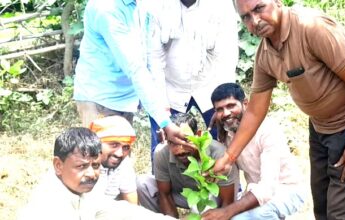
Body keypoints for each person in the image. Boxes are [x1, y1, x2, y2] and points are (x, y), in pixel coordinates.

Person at [212, 1, 345, 220]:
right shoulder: (265, 53)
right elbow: (255, 110)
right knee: (322, 206)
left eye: (259, 8)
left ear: (277, 2)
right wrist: (229, 157)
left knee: (343, 212)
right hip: (320, 125)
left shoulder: (311, 27)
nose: (255, 20)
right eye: (246, 17)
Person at [73, 0, 187, 147]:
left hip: (126, 98)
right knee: (99, 158)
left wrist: (161, 104)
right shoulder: (105, 7)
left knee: (120, 157)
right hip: (99, 97)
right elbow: (135, 67)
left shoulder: (141, 4)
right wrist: (164, 122)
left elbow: (149, 56)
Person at [18, 127, 178, 220]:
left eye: (95, 165)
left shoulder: (85, 190)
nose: (91, 173)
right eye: (81, 166)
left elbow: (120, 211)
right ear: (58, 165)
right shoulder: (47, 205)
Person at [146, 0, 239, 160]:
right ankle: (168, 184)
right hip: (169, 88)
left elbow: (227, 56)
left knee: (225, 142)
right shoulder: (156, 5)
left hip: (210, 85)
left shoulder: (221, 5)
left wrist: (223, 102)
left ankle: (228, 184)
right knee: (164, 148)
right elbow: (154, 60)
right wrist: (161, 108)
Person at [201, 83, 305, 220]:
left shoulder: (267, 130)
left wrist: (227, 211)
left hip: (286, 190)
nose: (226, 113)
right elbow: (229, 174)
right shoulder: (227, 133)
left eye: (231, 106)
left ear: (245, 103)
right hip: (255, 190)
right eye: (220, 109)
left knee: (244, 217)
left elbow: (267, 188)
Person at [137, 113, 239, 218]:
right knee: (142, 184)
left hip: (213, 196)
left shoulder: (218, 153)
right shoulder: (161, 152)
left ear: (198, 135)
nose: (179, 150)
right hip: (182, 194)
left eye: (186, 140)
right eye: (172, 142)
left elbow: (228, 202)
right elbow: (164, 194)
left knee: (200, 207)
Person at [89, 115, 138, 204]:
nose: (120, 154)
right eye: (114, 145)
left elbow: (132, 205)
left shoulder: (125, 163)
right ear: (96, 143)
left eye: (126, 147)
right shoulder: (82, 163)